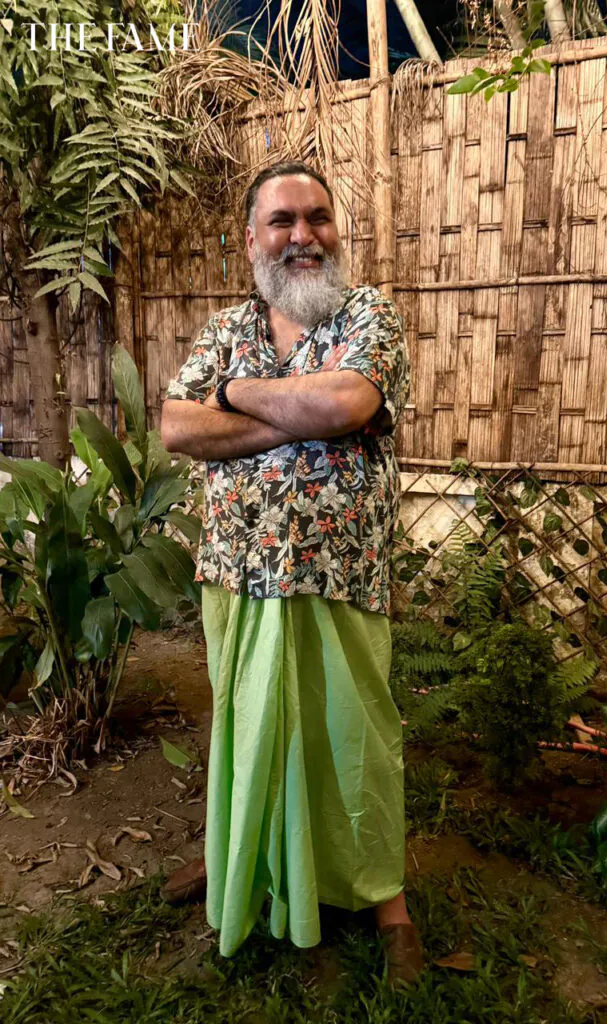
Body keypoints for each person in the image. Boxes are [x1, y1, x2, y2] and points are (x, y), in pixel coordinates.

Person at [159, 160, 423, 986]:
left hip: (341, 570)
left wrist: (238, 393)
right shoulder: (225, 326)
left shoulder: (369, 314)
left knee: (355, 737)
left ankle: (385, 900)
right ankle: (241, 858)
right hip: (237, 571)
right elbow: (176, 427)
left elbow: (347, 404)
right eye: (283, 221)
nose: (304, 235)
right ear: (251, 241)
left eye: (318, 218)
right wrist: (300, 415)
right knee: (248, 727)